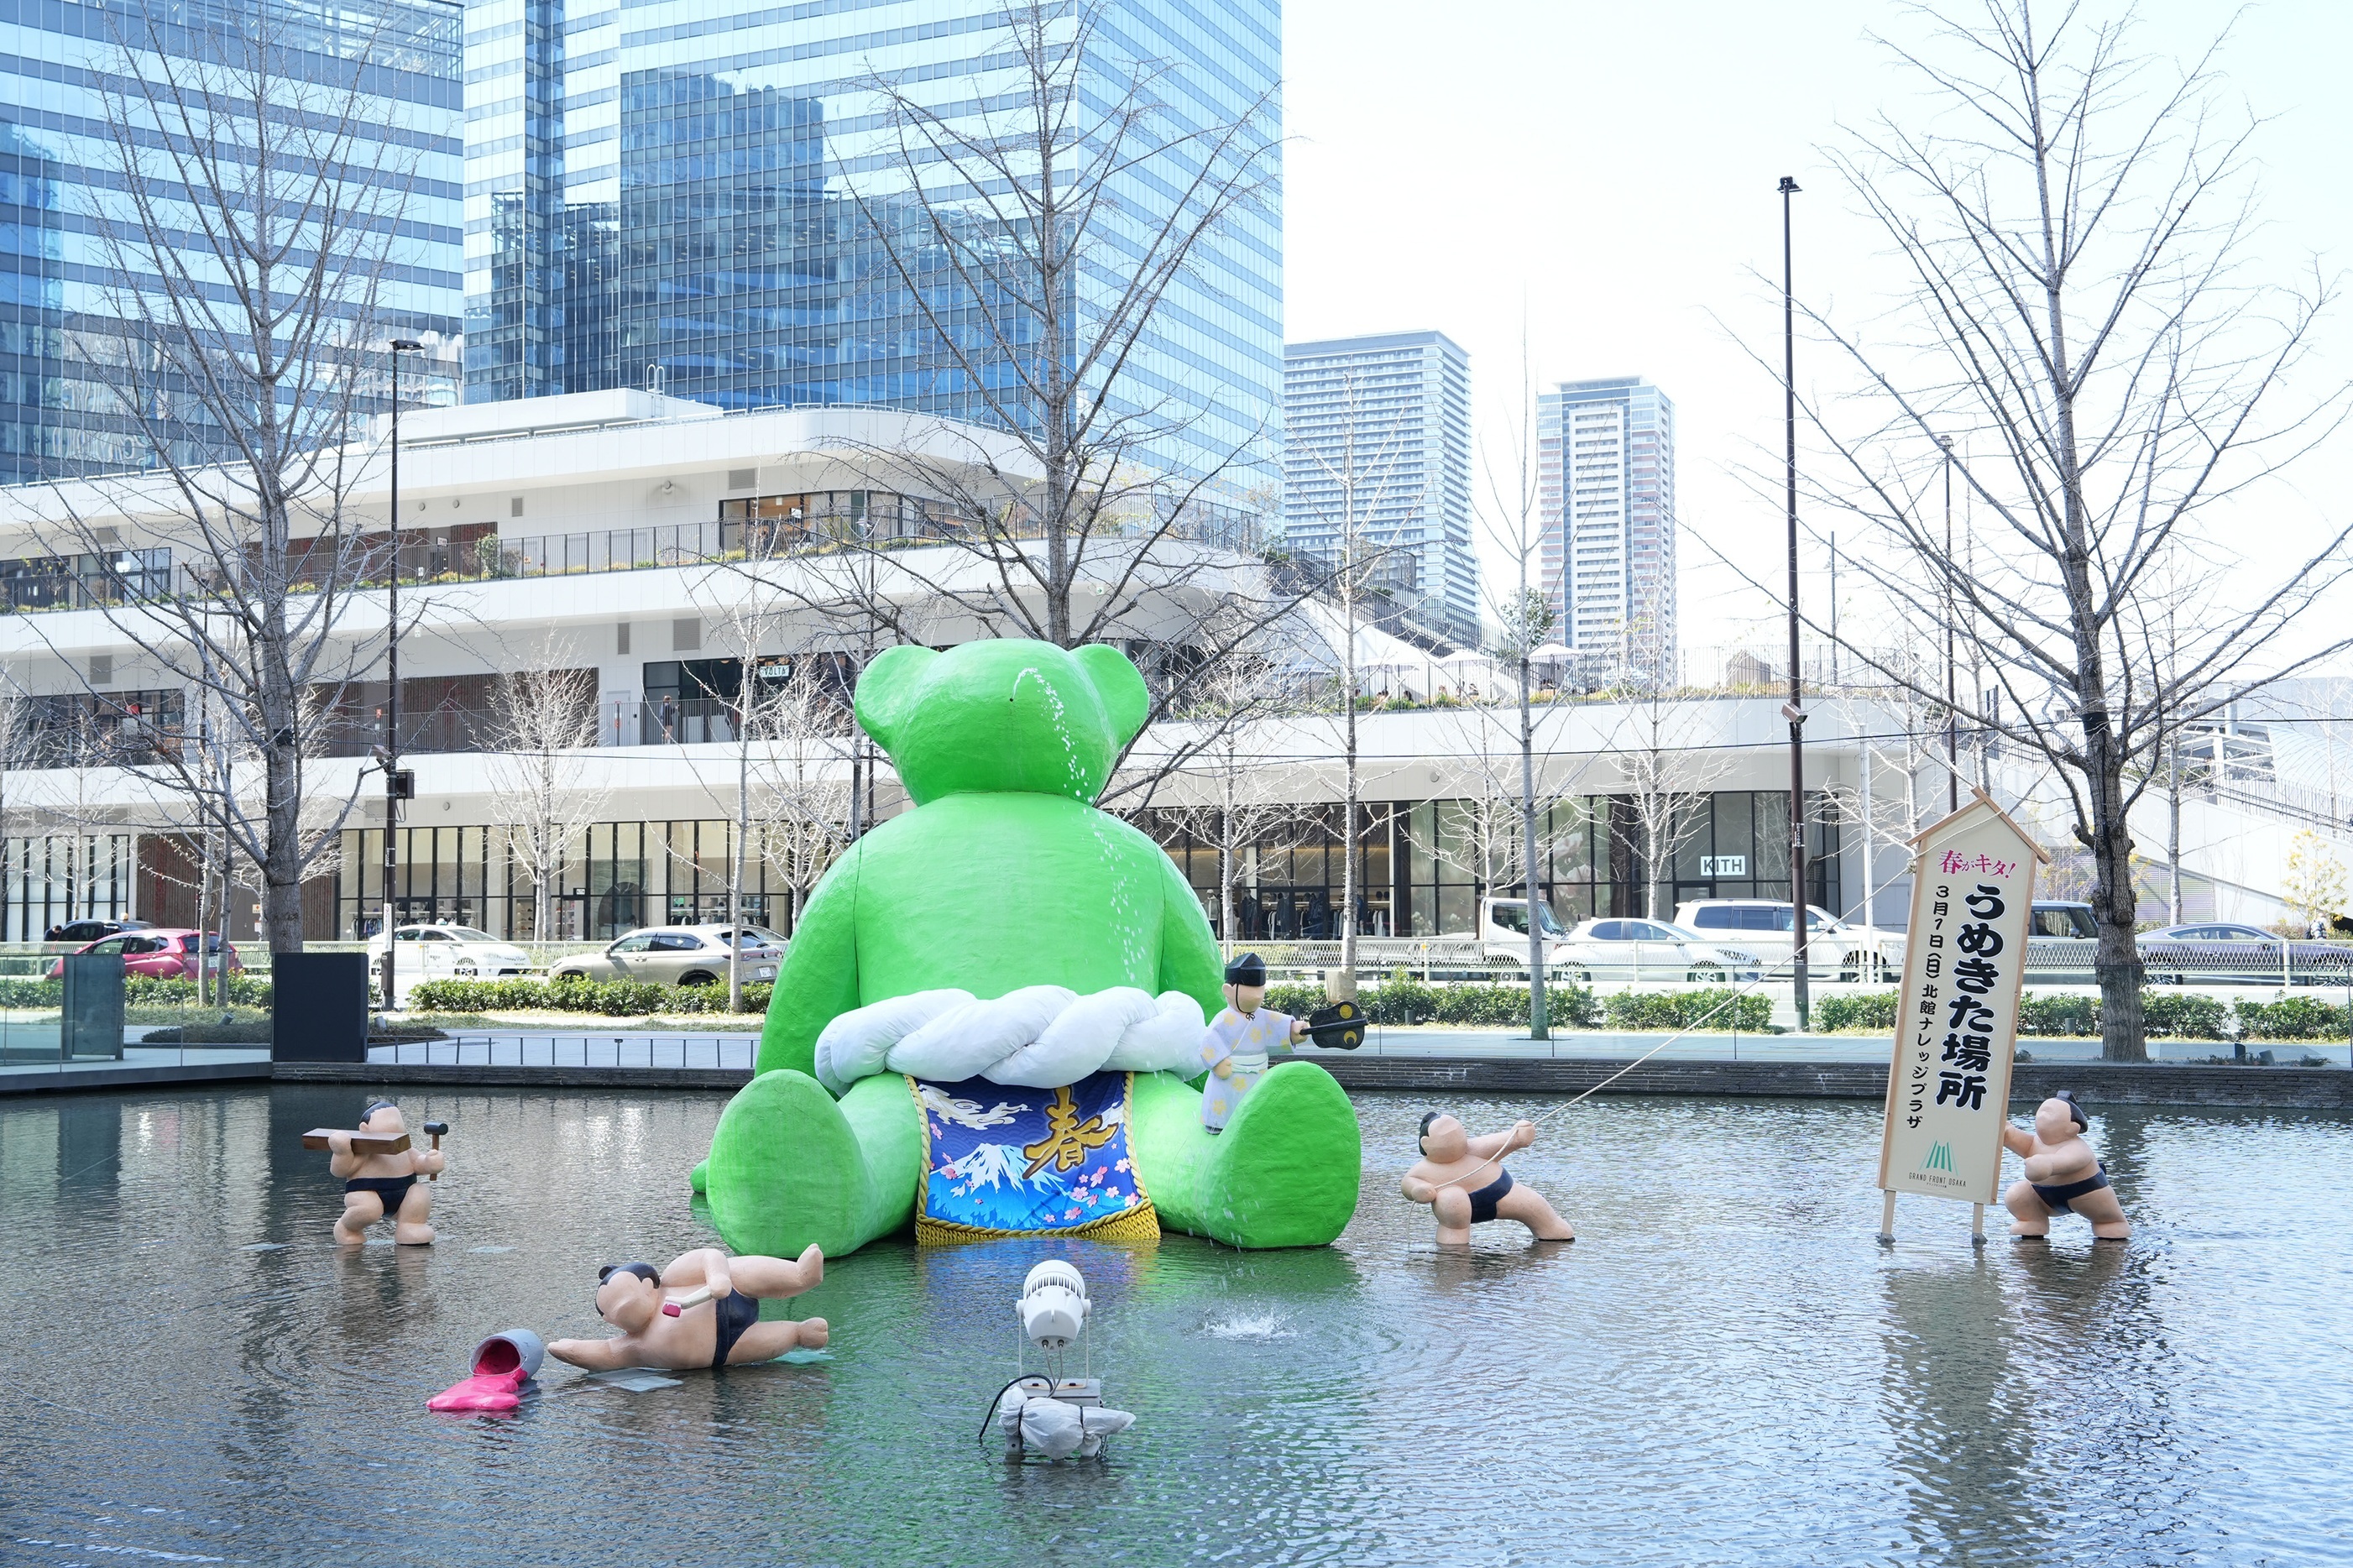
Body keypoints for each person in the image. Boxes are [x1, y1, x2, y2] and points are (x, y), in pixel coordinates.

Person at [548, 1246, 830, 1372]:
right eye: (612, 1314)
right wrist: (572, 1350)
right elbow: (608, 1353)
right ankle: (798, 1333)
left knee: (740, 1270)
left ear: (649, 1286)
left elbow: (710, 1256)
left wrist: (718, 1277)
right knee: (765, 1341)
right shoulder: (636, 1344)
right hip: (726, 1348)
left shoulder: (673, 1276)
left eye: (625, 1300)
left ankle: (800, 1276)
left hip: (728, 1292)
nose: (620, 1313)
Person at [1400, 1112, 1574, 1245]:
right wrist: (1419, 1190)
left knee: (1536, 1205)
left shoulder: (1474, 1148)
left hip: (1504, 1193)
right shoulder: (1424, 1168)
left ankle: (1552, 1232)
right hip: (1456, 1213)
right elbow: (1408, 1184)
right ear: (1425, 1144)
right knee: (1451, 1199)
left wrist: (1520, 1135)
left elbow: (1510, 1140)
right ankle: (1453, 1256)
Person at [1197, 952, 1307, 1132]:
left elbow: (1278, 1025)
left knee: (1256, 1108)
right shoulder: (1224, 1018)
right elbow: (1209, 1042)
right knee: (1226, 1108)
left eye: (1259, 990)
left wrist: (1293, 1029)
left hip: (1257, 1075)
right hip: (1230, 1077)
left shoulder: (1262, 1016)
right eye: (1250, 990)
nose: (1257, 996)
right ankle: (1218, 1124)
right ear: (1229, 991)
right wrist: (1217, 1062)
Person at [2001, 1091, 2129, 1240]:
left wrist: (2047, 1164)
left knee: (2108, 1220)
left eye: (2050, 1112)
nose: (2043, 1113)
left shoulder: (2078, 1148)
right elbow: (2017, 1140)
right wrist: (2007, 1133)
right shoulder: (2035, 1143)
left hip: (2088, 1193)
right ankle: (2034, 1221)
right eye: (2042, 1110)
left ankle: (2113, 1223)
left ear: (2072, 1128)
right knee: (2016, 1194)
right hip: (2043, 1195)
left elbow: (2065, 1160)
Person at [328, 1100, 444, 1246]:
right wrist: (341, 1152)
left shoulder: (403, 1148)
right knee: (369, 1209)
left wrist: (431, 1162)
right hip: (366, 1192)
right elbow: (340, 1171)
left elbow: (419, 1163)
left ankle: (410, 1227)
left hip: (403, 1192)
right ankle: (347, 1228)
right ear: (365, 1129)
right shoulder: (363, 1152)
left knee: (420, 1192)